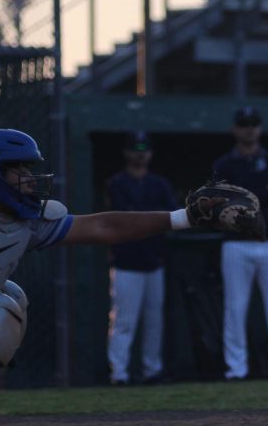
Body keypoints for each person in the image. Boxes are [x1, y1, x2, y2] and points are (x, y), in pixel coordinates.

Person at [0, 128, 257, 424]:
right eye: (18, 169)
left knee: (10, 298)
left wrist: (185, 218)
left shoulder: (16, 218)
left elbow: (103, 226)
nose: (29, 178)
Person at [213, 106, 268, 380]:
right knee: (235, 307)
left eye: (253, 124)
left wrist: (248, 194)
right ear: (235, 129)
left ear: (260, 128)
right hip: (235, 243)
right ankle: (236, 369)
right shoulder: (225, 164)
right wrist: (262, 193)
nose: (249, 129)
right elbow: (224, 201)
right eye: (244, 124)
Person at [105, 131, 177, 385]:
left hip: (154, 261)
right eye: (135, 148)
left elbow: (168, 216)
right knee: (124, 320)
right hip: (126, 263)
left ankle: (151, 370)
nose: (140, 153)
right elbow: (124, 217)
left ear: (150, 153)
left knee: (153, 320)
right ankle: (119, 373)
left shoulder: (160, 184)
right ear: (126, 152)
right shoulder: (117, 183)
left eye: (144, 148)